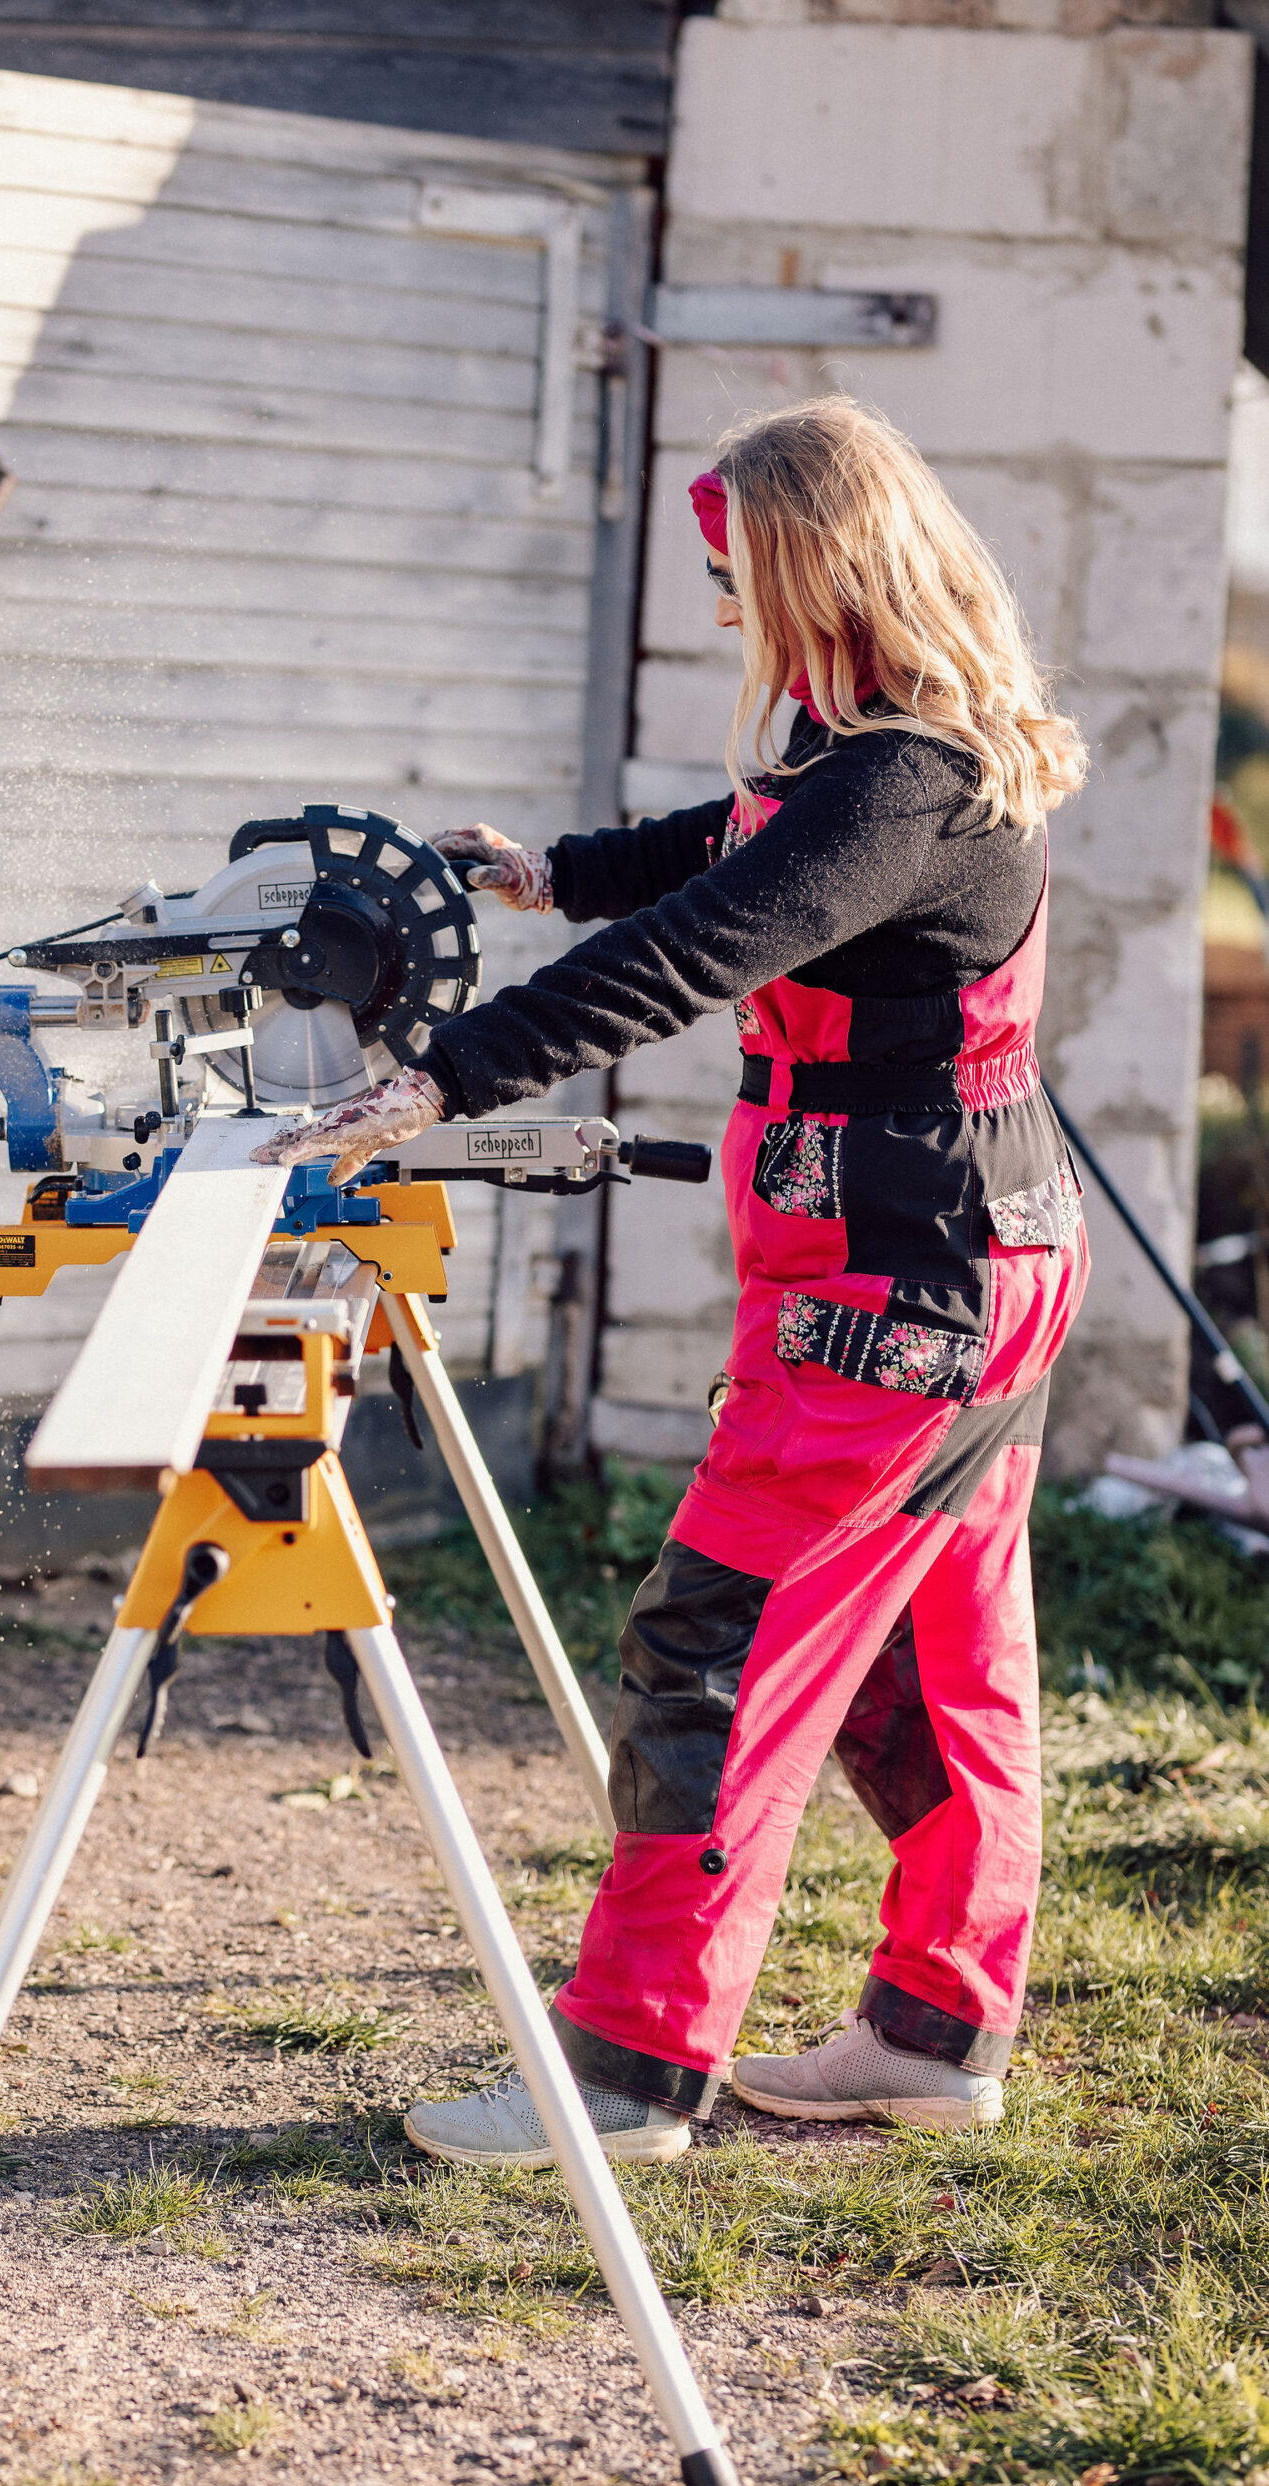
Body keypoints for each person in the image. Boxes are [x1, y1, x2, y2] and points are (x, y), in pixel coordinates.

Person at [256, 395, 1089, 2161]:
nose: (723, 607)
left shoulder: (904, 781)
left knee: (717, 1637)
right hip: (967, 1252)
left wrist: (435, 1079)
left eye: (739, 576)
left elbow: (702, 946)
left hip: (900, 1286)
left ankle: (634, 2064)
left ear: (819, 566)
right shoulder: (890, 749)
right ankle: (941, 2026)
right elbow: (737, 849)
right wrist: (550, 869)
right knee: (931, 1664)